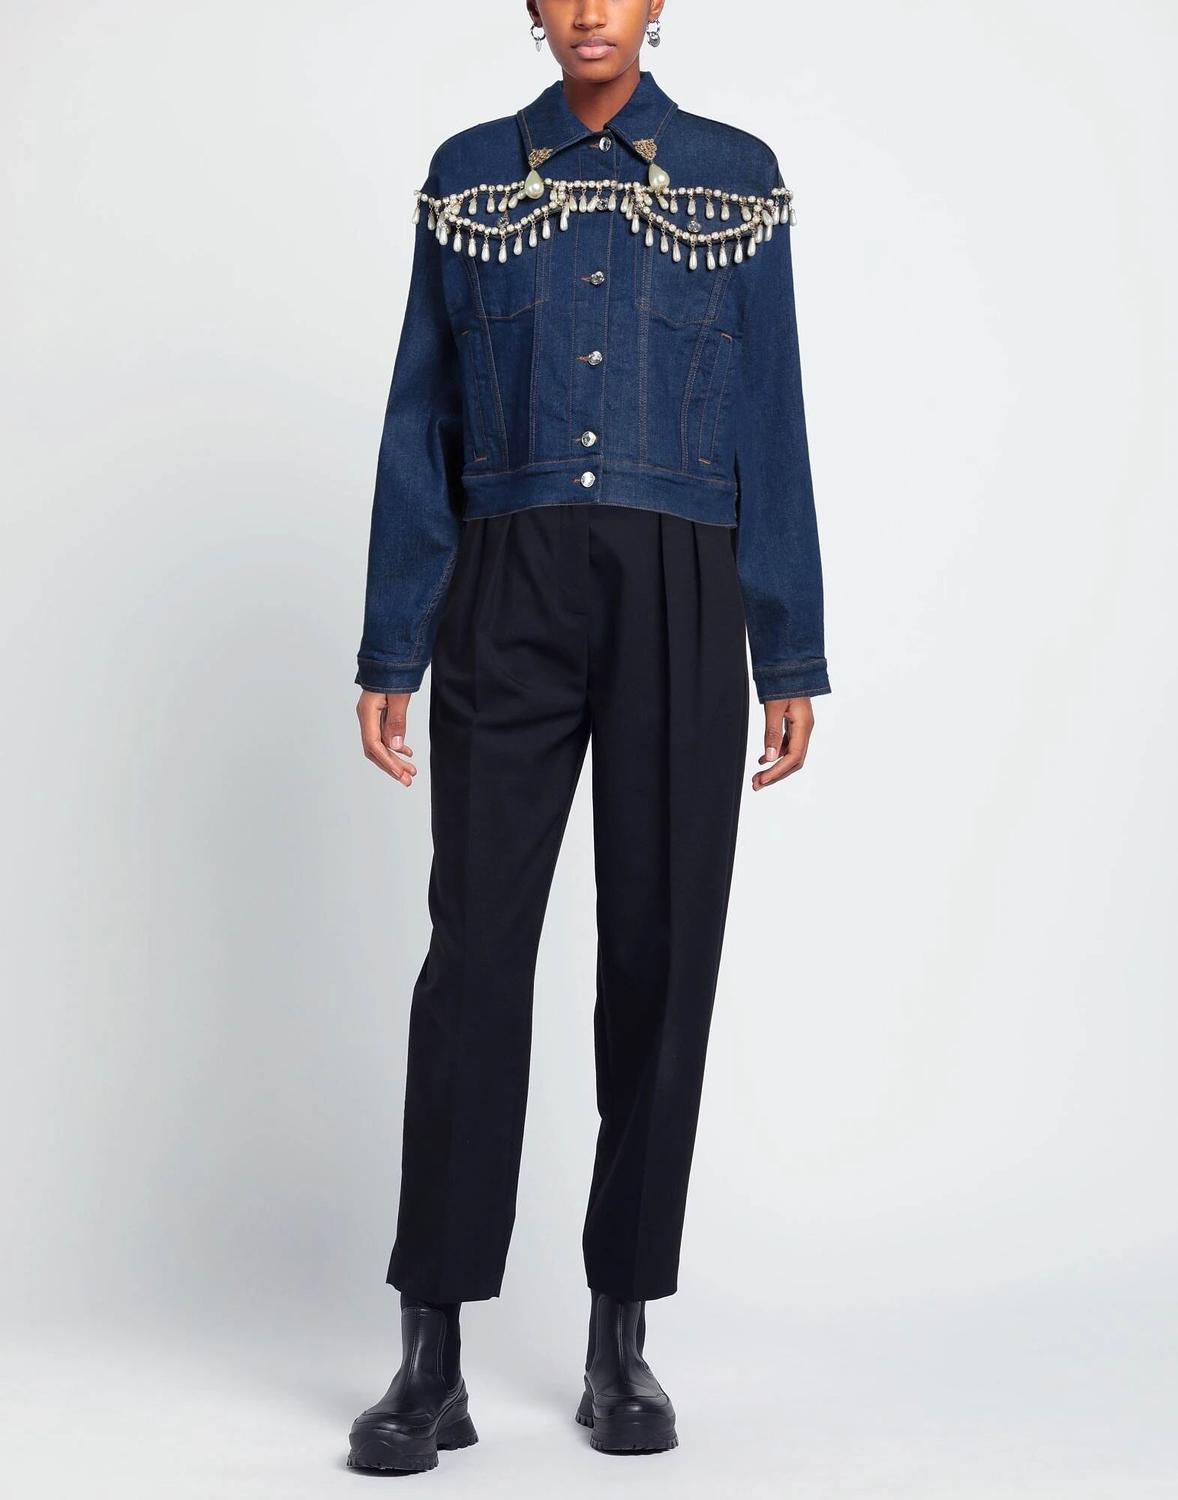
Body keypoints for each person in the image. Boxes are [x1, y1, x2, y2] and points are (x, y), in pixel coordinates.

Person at [348, 0, 830, 1471]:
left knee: (661, 955)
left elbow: (770, 415)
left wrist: (786, 643)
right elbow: (419, 417)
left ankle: (620, 1337)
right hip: (507, 581)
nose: (588, 11)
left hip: (682, 581)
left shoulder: (735, 176)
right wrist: (395, 635)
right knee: (475, 954)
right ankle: (430, 1349)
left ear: (656, 3)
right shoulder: (471, 175)